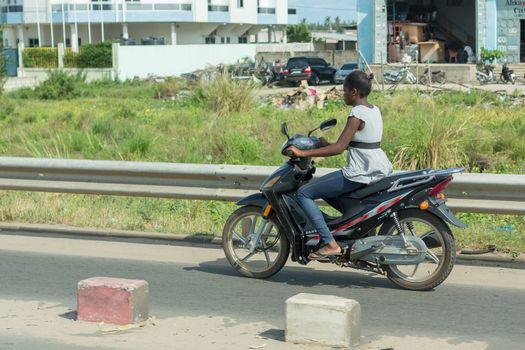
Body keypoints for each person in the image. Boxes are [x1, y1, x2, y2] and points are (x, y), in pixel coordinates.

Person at [287, 71, 393, 259]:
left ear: (353, 92)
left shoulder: (357, 113)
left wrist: (303, 153)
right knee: (323, 189)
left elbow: (339, 148)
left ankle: (330, 243)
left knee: (304, 193)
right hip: (377, 168)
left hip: (360, 172)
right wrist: (327, 145)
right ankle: (347, 231)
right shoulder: (373, 110)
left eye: (344, 91)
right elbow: (360, 142)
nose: (343, 94)